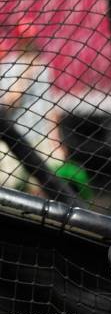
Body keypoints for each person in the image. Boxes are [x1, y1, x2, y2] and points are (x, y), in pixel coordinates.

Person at [0, 20, 68, 197]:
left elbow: (49, 106)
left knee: (43, 182)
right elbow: (9, 102)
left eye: (31, 37)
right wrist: (26, 74)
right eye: (25, 38)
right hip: (15, 136)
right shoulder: (9, 65)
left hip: (40, 135)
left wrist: (56, 139)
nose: (29, 42)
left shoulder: (43, 66)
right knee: (9, 182)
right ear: (19, 39)